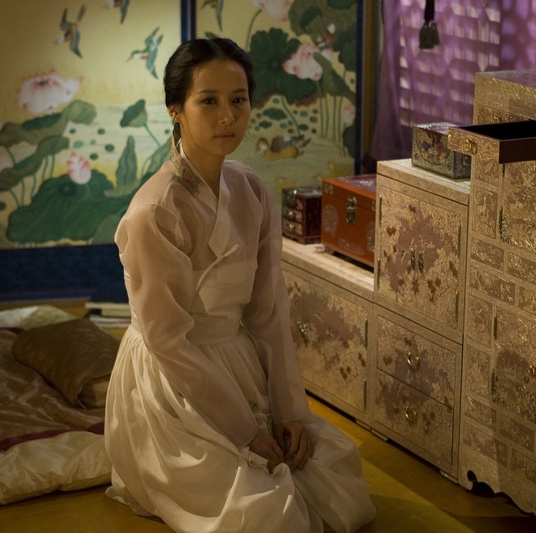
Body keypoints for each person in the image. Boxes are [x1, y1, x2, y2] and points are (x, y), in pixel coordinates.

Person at [104, 37, 376, 533]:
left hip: (238, 360)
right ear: (176, 111)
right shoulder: (155, 211)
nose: (227, 116)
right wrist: (245, 431)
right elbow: (167, 341)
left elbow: (267, 311)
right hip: (173, 379)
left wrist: (289, 411)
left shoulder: (250, 188)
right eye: (208, 101)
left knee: (335, 477)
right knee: (264, 510)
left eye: (238, 100)